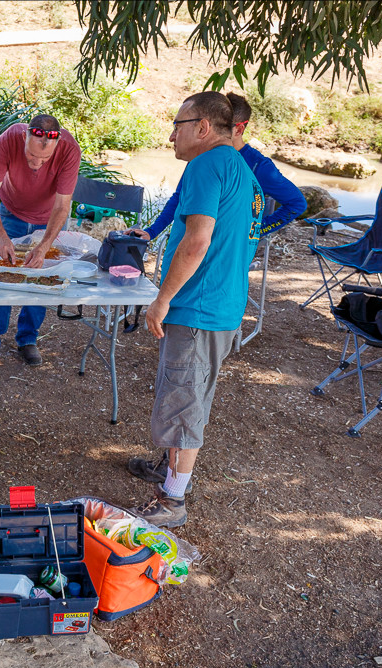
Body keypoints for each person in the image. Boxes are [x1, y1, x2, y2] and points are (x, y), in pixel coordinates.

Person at [123, 91, 264, 528]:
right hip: (220, 304)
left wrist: (162, 298)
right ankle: (171, 474)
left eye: (177, 124)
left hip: (198, 306)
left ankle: (173, 500)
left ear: (202, 127)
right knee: (189, 392)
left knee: (183, 402)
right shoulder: (241, 168)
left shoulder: (207, 164)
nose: (171, 135)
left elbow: (197, 240)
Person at [0, 114, 81, 373]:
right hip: (12, 213)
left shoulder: (69, 149)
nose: (37, 164)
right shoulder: (9, 138)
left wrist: (44, 245)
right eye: (32, 157)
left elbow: (63, 205)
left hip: (49, 219)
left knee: (42, 277)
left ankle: (28, 338)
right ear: (24, 137)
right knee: (3, 274)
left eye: (45, 159)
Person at [127, 92, 305, 242]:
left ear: (240, 129)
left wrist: (256, 231)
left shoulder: (259, 166)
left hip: (225, 251)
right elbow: (180, 196)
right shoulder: (200, 156)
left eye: (225, 127)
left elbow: (296, 203)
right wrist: (152, 231)